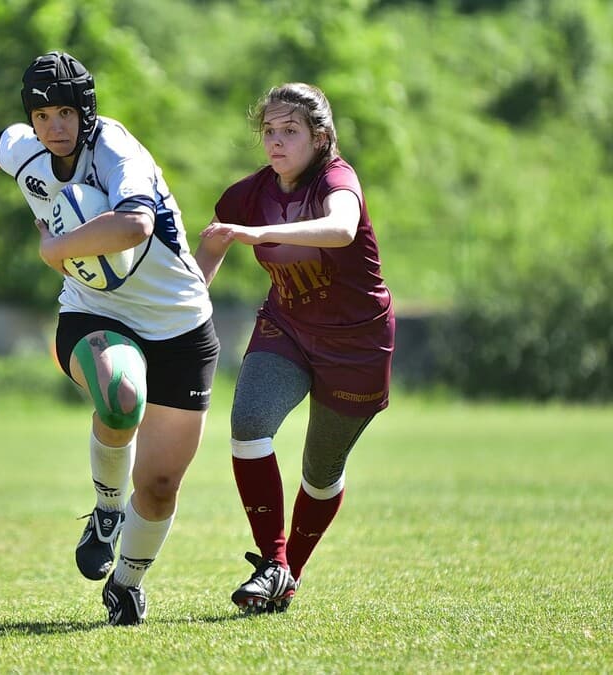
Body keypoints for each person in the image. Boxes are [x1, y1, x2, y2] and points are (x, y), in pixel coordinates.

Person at [0, 51, 219, 626]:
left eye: (64, 114)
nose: (53, 127)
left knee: (157, 486)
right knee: (119, 391)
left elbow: (136, 224)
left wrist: (55, 247)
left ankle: (127, 584)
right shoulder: (24, 143)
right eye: (42, 115)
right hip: (94, 309)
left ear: (86, 112)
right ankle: (107, 510)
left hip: (179, 320)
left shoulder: (116, 152)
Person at [195, 83, 395, 614]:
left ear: (320, 136)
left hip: (358, 342)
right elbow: (214, 240)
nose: (276, 142)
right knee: (248, 423)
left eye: (290, 131)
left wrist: (257, 235)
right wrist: (183, 302)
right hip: (287, 327)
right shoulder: (249, 194)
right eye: (269, 131)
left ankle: (288, 574)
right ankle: (273, 563)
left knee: (320, 472)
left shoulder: (337, 178)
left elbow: (341, 227)